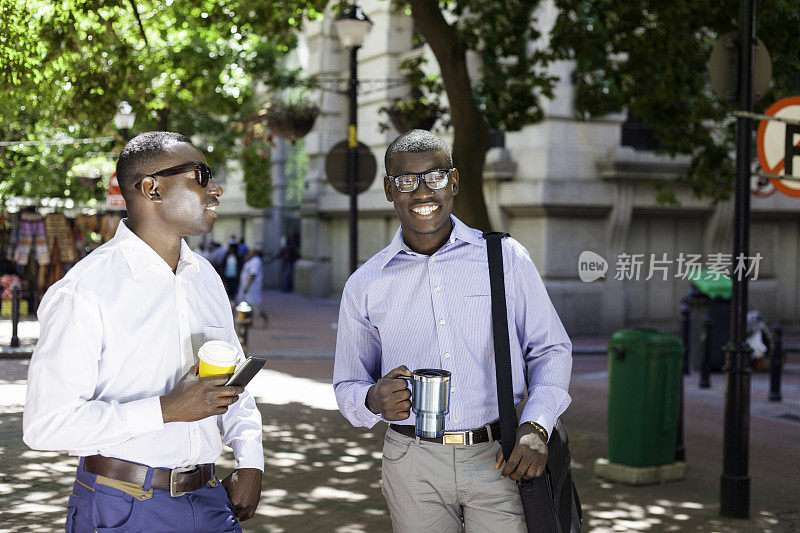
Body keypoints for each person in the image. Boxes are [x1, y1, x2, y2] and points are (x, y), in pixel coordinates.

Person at [333, 130, 572, 532]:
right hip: (412, 462)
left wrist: (536, 425)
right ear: (390, 189)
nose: (423, 191)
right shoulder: (365, 283)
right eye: (407, 181)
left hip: (500, 455)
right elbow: (347, 385)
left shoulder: (505, 258)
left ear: (455, 182)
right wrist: (373, 399)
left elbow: (550, 349)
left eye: (435, 177)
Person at [23, 131, 264, 532]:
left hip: (211, 501)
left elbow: (231, 380)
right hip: (123, 505)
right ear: (152, 188)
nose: (216, 189)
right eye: (202, 176)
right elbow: (45, 424)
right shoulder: (83, 291)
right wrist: (166, 410)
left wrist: (251, 458)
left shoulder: (204, 276)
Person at [236, 247, 268, 325]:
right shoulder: (251, 260)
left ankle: (265, 318)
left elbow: (253, 274)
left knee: (255, 306)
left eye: (250, 252)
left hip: (252, 288)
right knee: (248, 306)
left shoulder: (256, 261)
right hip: (247, 288)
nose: (248, 253)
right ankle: (250, 322)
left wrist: (247, 286)